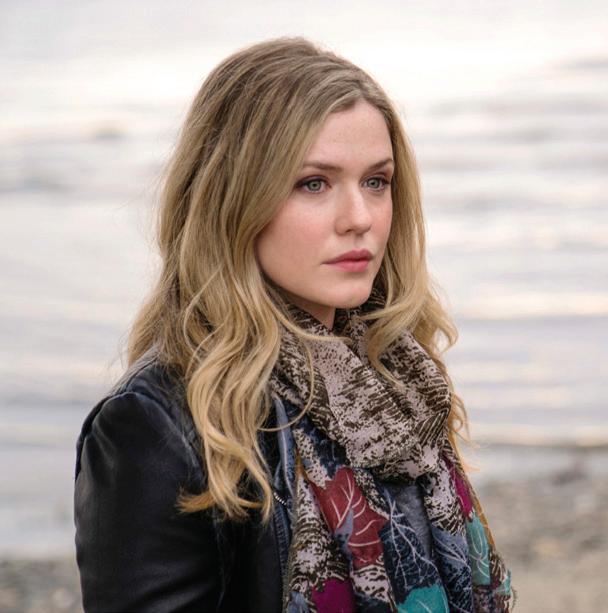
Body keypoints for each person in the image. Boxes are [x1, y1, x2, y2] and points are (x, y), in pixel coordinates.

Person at [73, 37, 516, 613]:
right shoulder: (157, 426)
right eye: (314, 183)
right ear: (233, 201)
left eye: (376, 182)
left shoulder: (399, 378)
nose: (359, 218)